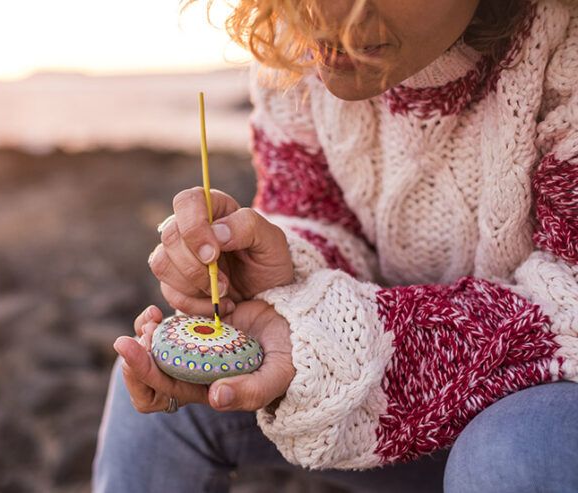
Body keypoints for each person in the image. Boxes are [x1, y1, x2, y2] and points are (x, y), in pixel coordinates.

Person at [93, 0, 578, 491]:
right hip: (397, 402)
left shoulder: (565, 52)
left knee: (513, 452)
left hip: (542, 409)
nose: (321, 11)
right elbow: (318, 217)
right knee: (157, 378)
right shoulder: (296, 46)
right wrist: (279, 269)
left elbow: (570, 300)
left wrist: (326, 335)